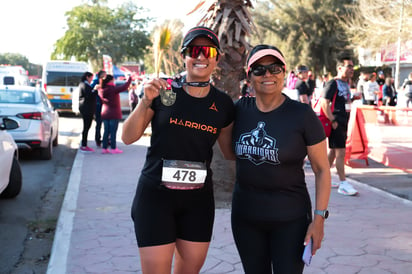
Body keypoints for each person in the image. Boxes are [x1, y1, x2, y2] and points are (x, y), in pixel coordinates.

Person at [121, 26, 235, 273]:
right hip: (156, 198)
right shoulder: (164, 91)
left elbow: (230, 153)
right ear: (184, 55)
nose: (201, 56)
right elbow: (128, 137)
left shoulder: (223, 104)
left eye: (208, 51)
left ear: (216, 57)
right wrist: (145, 100)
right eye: (195, 50)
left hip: (198, 201)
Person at [224, 44, 331, 273]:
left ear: (284, 72)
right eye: (259, 69)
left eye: (274, 68)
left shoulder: (302, 115)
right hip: (246, 217)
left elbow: (322, 170)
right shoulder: (238, 110)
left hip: (291, 219)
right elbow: (228, 152)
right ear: (249, 75)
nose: (268, 75)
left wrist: (319, 219)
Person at [320, 56, 358, 196]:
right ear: (340, 68)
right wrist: (332, 120)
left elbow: (343, 101)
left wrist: (353, 98)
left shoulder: (346, 83)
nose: (351, 70)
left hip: (343, 122)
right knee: (341, 153)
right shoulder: (333, 83)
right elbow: (324, 102)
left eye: (352, 67)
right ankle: (343, 183)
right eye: (348, 66)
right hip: (336, 123)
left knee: (334, 151)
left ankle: (324, 177)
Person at [100, 74, 132, 154]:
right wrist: (129, 79)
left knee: (106, 131)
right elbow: (124, 86)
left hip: (105, 113)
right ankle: (113, 148)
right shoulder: (112, 89)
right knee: (113, 132)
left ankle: (104, 148)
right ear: (111, 80)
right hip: (113, 113)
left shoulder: (102, 89)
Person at [78, 71, 98, 152]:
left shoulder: (83, 84)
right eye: (91, 78)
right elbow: (89, 96)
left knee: (87, 127)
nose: (91, 80)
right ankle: (84, 144)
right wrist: (95, 91)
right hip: (87, 109)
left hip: (85, 108)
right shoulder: (85, 85)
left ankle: (84, 144)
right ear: (87, 77)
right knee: (86, 127)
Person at [91, 70, 106, 147]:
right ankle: (98, 139)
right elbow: (91, 90)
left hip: (105, 105)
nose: (105, 76)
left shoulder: (105, 82)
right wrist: (95, 89)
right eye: (103, 75)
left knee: (106, 124)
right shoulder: (96, 81)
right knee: (99, 123)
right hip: (98, 105)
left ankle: (106, 140)